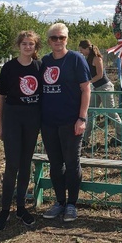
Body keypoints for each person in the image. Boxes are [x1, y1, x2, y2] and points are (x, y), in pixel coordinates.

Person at [41, 23, 91, 222]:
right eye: (54, 38)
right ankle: (59, 201)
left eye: (62, 37)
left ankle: (72, 204)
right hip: (49, 122)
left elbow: (86, 89)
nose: (58, 41)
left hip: (71, 122)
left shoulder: (76, 59)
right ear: (49, 41)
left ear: (67, 39)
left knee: (72, 163)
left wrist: (82, 118)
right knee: (55, 164)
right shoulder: (45, 61)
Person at [0, 30, 42, 231]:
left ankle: (21, 208)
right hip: (13, 118)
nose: (28, 47)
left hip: (32, 118)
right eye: (24, 44)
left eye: (31, 44)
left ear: (35, 47)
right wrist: (1, 125)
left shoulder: (40, 66)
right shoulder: (9, 68)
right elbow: (1, 99)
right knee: (12, 164)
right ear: (18, 46)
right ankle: (4, 210)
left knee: (25, 163)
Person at [78, 39, 122, 145]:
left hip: (104, 87)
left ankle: (121, 137)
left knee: (111, 112)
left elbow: (99, 75)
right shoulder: (87, 58)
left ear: (87, 49)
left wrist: (88, 82)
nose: (81, 52)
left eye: (82, 50)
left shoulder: (97, 58)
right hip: (96, 88)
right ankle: (85, 139)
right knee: (90, 112)